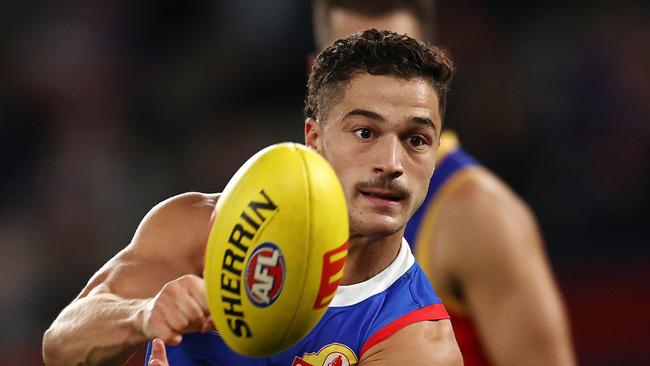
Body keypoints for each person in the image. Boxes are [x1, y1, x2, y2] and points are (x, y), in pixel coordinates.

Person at [42, 29, 462, 366]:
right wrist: (143, 315)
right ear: (314, 139)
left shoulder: (417, 341)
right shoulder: (200, 229)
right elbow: (62, 346)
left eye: (416, 139)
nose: (391, 162)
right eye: (365, 132)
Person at [312, 1, 576, 365]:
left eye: (397, 55)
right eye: (352, 61)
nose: (378, 80)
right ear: (318, 75)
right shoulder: (288, 200)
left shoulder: (480, 214)